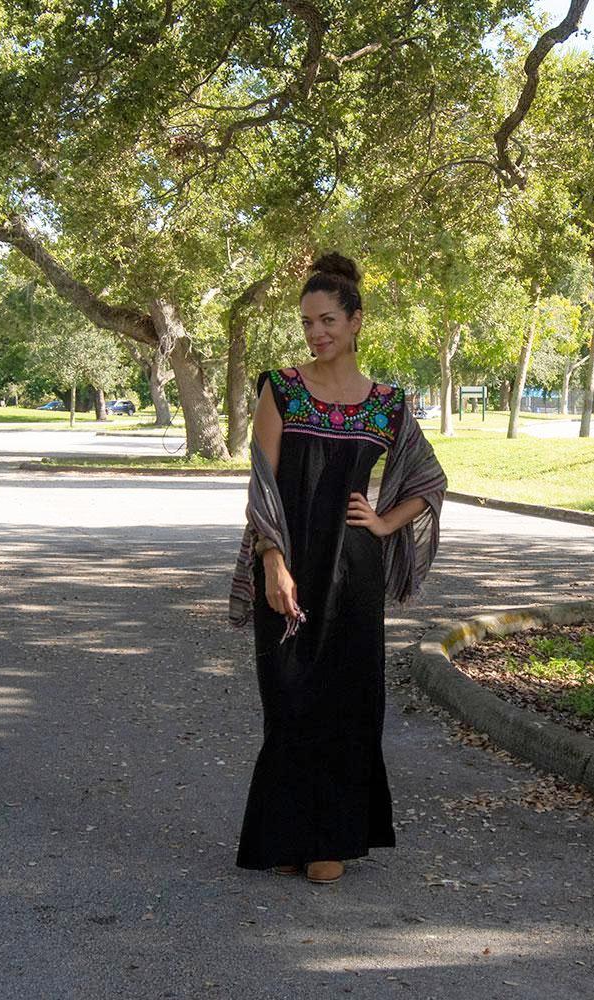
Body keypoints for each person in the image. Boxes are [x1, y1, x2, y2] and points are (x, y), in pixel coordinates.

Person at [228, 252, 448, 885]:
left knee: (347, 705)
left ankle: (333, 837)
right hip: (290, 566)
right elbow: (262, 487)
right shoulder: (283, 388)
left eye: (327, 320)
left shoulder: (386, 405)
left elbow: (428, 480)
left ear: (355, 322)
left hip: (355, 574)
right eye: (306, 322)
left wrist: (382, 523)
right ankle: (290, 832)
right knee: (290, 699)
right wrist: (273, 562)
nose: (316, 333)